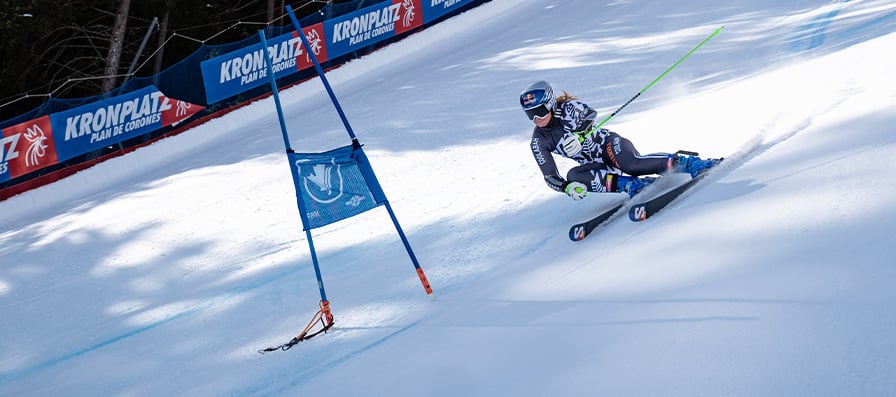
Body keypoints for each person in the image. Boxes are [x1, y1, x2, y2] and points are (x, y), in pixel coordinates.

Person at [520, 80, 717, 201]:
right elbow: (549, 176)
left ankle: (689, 163)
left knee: (631, 164)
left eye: (539, 111)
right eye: (531, 115)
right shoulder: (539, 141)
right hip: (594, 165)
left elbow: (590, 114)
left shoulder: (568, 108)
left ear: (550, 103)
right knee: (573, 176)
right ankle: (630, 185)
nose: (537, 118)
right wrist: (566, 188)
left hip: (609, 146)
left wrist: (580, 134)